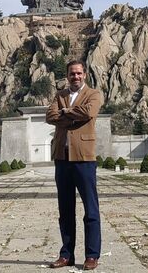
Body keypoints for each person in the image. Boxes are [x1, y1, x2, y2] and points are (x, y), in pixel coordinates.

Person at [45, 60, 103, 270]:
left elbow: (89, 113)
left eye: (79, 73)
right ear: (67, 76)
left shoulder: (94, 94)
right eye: (72, 74)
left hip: (84, 159)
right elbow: (49, 116)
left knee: (91, 209)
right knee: (65, 210)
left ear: (85, 75)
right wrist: (70, 113)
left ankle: (92, 255)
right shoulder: (59, 95)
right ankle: (67, 255)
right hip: (62, 158)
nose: (75, 77)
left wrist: (64, 113)